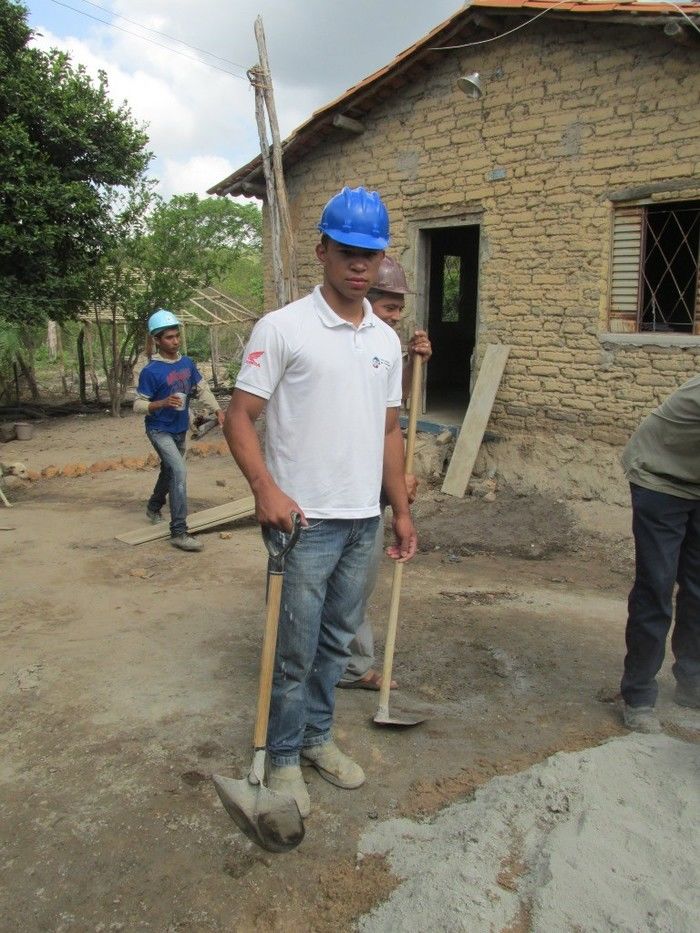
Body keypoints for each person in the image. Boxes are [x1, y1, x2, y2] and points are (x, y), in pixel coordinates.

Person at [223, 187, 417, 818]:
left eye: (369, 253)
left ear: (380, 255)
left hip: (363, 518)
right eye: (346, 251)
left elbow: (389, 430)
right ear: (323, 251)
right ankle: (280, 756)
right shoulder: (283, 328)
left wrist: (400, 509)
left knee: (336, 642)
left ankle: (315, 738)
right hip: (301, 521)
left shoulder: (386, 342)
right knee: (295, 648)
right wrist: (266, 490)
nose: (358, 264)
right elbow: (239, 417)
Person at [338, 255, 432, 690]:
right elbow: (365, 423)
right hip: (340, 487)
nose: (396, 316)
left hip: (372, 489)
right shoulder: (342, 346)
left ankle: (350, 668)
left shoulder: (386, 346)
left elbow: (390, 410)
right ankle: (338, 667)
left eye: (399, 308)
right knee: (342, 589)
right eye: (389, 307)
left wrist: (413, 361)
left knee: (357, 588)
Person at [620, 375, 700, 733]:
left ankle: (692, 682)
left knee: (699, 589)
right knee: (657, 585)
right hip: (659, 476)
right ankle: (638, 697)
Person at [134, 309, 224, 552]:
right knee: (179, 472)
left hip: (179, 429)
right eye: (169, 338)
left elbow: (201, 389)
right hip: (159, 429)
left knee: (169, 471)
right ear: (157, 340)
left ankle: (153, 507)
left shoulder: (187, 363)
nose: (175, 341)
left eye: (176, 336)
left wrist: (217, 411)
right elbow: (138, 404)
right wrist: (161, 403)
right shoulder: (151, 371)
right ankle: (179, 531)